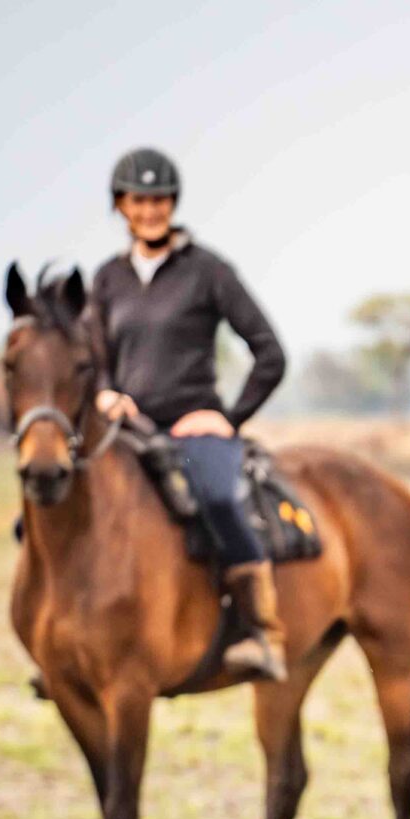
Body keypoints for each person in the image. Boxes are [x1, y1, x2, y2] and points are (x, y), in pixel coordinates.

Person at [86, 147, 292, 682]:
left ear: (173, 204)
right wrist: (107, 394)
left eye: (159, 200)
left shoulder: (209, 271)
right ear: (120, 206)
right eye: (138, 200)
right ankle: (72, 644)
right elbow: (94, 357)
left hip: (193, 427)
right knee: (48, 508)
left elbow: (270, 353)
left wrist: (228, 417)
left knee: (221, 499)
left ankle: (260, 633)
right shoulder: (107, 279)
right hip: (128, 429)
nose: (150, 210)